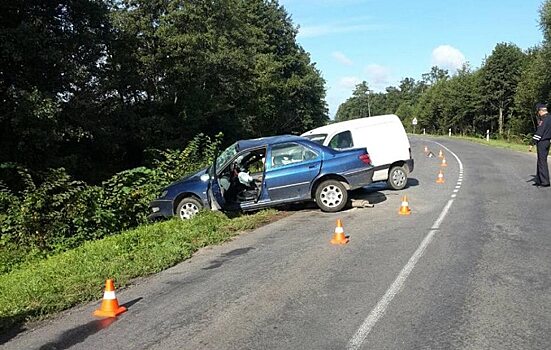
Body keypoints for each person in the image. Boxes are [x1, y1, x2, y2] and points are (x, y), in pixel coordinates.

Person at [532, 103, 551, 187]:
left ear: (541, 111)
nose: (538, 113)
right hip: (547, 141)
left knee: (542, 161)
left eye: (538, 111)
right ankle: (539, 179)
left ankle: (545, 181)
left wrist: (532, 142)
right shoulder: (550, 118)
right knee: (541, 160)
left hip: (542, 142)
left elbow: (540, 131)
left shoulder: (544, 119)